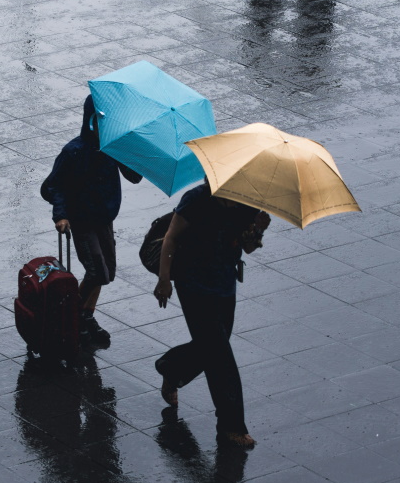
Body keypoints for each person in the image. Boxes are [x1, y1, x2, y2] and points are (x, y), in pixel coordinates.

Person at [153, 179, 270, 448]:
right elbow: (171, 238)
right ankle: (231, 425)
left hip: (224, 284)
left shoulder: (245, 201)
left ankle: (171, 368)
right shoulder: (195, 199)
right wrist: (164, 279)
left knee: (213, 346)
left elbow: (248, 246)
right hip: (193, 285)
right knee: (220, 356)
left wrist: (258, 230)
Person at [41, 96, 142, 343]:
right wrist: (61, 215)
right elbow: (54, 186)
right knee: (97, 272)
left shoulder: (113, 148)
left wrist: (130, 150)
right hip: (82, 221)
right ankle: (71, 315)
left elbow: (134, 177)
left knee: (106, 272)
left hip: (104, 219)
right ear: (90, 121)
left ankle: (85, 315)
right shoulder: (74, 151)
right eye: (100, 121)